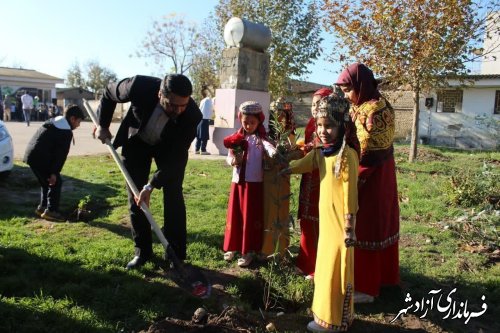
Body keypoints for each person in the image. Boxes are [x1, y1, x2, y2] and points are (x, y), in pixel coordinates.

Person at [95, 74, 202, 270]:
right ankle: (142, 252)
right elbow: (109, 93)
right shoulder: (138, 86)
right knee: (136, 197)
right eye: (172, 105)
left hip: (168, 150)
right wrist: (103, 125)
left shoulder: (192, 116)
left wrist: (151, 185)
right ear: (160, 93)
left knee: (174, 194)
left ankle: (176, 253)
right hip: (137, 143)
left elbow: (176, 161)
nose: (178, 111)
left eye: (183, 106)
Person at [285, 93, 358, 333]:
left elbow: (350, 194)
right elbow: (305, 163)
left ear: (342, 126)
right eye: (319, 125)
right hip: (326, 224)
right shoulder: (322, 152)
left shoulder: (346, 156)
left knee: (334, 270)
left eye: (329, 126)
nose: (323, 131)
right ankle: (326, 316)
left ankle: (334, 320)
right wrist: (284, 167)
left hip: (340, 226)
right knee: (324, 267)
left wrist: (349, 225)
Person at [336, 63, 400, 303]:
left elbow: (370, 152)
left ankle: (367, 286)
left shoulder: (376, 110)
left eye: (347, 90)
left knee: (368, 225)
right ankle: (374, 279)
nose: (345, 96)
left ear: (360, 86)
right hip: (368, 170)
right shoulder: (361, 105)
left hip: (373, 176)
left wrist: (351, 179)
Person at [223, 101, 276, 267]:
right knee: (235, 214)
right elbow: (228, 156)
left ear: (259, 121)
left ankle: (248, 250)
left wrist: (274, 152)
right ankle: (232, 246)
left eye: (252, 122)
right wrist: (233, 161)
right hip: (237, 183)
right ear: (240, 119)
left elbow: (269, 148)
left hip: (253, 185)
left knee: (249, 216)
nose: (248, 125)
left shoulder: (260, 140)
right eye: (245, 122)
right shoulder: (236, 138)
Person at [24, 105, 85, 222]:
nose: (78, 125)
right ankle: (51, 211)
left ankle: (42, 208)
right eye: (78, 121)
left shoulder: (54, 122)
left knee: (46, 183)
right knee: (55, 182)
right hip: (41, 158)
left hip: (31, 156)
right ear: (72, 119)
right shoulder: (65, 131)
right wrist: (54, 172)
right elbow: (60, 155)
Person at [294, 88, 329, 279]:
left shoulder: (328, 125)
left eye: (319, 104)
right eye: (313, 104)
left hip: (322, 179)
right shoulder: (310, 124)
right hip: (308, 176)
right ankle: (304, 262)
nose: (314, 108)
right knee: (306, 220)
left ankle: (317, 267)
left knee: (318, 222)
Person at [261, 99, 296, 258]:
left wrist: (289, 155)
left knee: (281, 211)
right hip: (268, 176)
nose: (280, 116)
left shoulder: (291, 133)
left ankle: (281, 249)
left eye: (284, 113)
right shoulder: (264, 133)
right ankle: (266, 248)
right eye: (277, 113)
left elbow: (295, 150)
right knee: (267, 211)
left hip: (283, 176)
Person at [194, 89, 214, 155]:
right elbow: (211, 108)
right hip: (205, 119)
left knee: (199, 136)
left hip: (200, 119)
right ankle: (203, 150)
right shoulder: (208, 100)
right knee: (204, 136)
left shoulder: (203, 100)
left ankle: (196, 149)